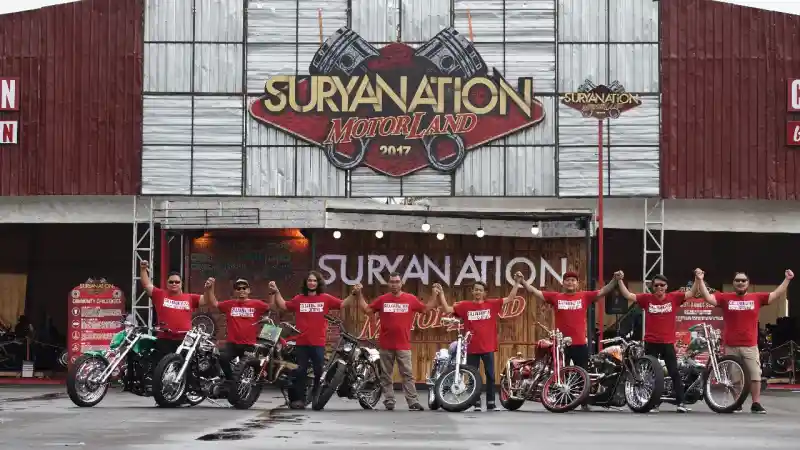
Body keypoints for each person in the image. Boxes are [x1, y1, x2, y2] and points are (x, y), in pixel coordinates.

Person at [696, 268, 793, 414]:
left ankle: (756, 403)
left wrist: (787, 279)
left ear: (748, 283)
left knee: (755, 375)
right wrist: (700, 280)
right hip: (731, 345)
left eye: (743, 280)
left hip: (750, 345)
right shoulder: (725, 298)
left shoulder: (756, 298)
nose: (740, 283)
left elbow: (776, 294)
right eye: (737, 280)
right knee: (734, 378)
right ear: (733, 283)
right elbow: (708, 297)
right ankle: (737, 403)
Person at [519, 269, 618, 411]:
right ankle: (563, 399)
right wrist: (523, 282)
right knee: (561, 372)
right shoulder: (556, 297)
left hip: (580, 343)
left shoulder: (584, 296)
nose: (570, 283)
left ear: (577, 283)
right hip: (561, 344)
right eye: (567, 280)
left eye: (573, 280)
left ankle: (583, 402)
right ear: (563, 283)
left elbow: (603, 291)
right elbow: (535, 292)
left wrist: (615, 280)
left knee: (582, 372)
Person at [269, 271, 360, 410]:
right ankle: (299, 400)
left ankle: (317, 398)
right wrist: (276, 291)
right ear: (306, 283)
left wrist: (353, 294)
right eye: (309, 280)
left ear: (318, 283)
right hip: (301, 342)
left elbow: (343, 304)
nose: (312, 283)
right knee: (300, 371)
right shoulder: (299, 298)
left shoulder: (325, 298)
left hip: (318, 342)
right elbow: (284, 306)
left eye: (314, 281)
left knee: (319, 371)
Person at [616, 269, 702, 413]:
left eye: (662, 285)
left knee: (674, 372)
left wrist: (698, 278)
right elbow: (628, 295)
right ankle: (652, 404)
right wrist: (619, 280)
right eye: (656, 285)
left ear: (666, 286)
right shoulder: (647, 299)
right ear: (652, 287)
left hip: (667, 343)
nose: (659, 288)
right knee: (651, 374)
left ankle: (681, 403)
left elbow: (691, 292)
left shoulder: (674, 297)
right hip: (651, 342)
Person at [433, 276, 523, 411]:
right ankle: (476, 403)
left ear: (485, 292)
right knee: (472, 376)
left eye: (480, 290)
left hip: (487, 347)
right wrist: (441, 294)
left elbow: (510, 298)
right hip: (471, 347)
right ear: (472, 291)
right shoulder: (465, 306)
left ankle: (491, 403)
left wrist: (517, 283)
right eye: (475, 290)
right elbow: (447, 309)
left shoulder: (492, 304)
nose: (477, 292)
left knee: (490, 376)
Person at [357, 272, 437, 411]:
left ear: (401, 283)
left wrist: (435, 295)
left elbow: (425, 309)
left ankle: (413, 402)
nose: (394, 284)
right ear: (388, 284)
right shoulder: (383, 299)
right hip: (386, 344)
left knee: (407, 375)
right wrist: (359, 294)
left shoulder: (410, 299)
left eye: (397, 281)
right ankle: (389, 401)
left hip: (403, 345)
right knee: (385, 375)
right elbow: (367, 310)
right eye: (392, 282)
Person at [139, 261, 213, 357]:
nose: (174, 283)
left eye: (177, 282)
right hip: (164, 339)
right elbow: (147, 285)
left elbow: (206, 300)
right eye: (171, 282)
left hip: (185, 340)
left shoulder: (189, 297)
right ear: (167, 283)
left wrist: (209, 289)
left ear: (181, 284)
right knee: (162, 364)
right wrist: (143, 269)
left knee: (184, 364)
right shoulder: (160, 294)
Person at [203, 278, 269, 385]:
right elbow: (214, 303)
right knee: (222, 358)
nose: (241, 290)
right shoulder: (230, 304)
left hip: (249, 344)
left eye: (244, 288)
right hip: (232, 344)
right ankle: (231, 382)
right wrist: (210, 288)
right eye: (238, 289)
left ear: (249, 290)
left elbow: (271, 307)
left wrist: (273, 292)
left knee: (254, 363)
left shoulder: (257, 304)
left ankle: (259, 376)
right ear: (235, 292)